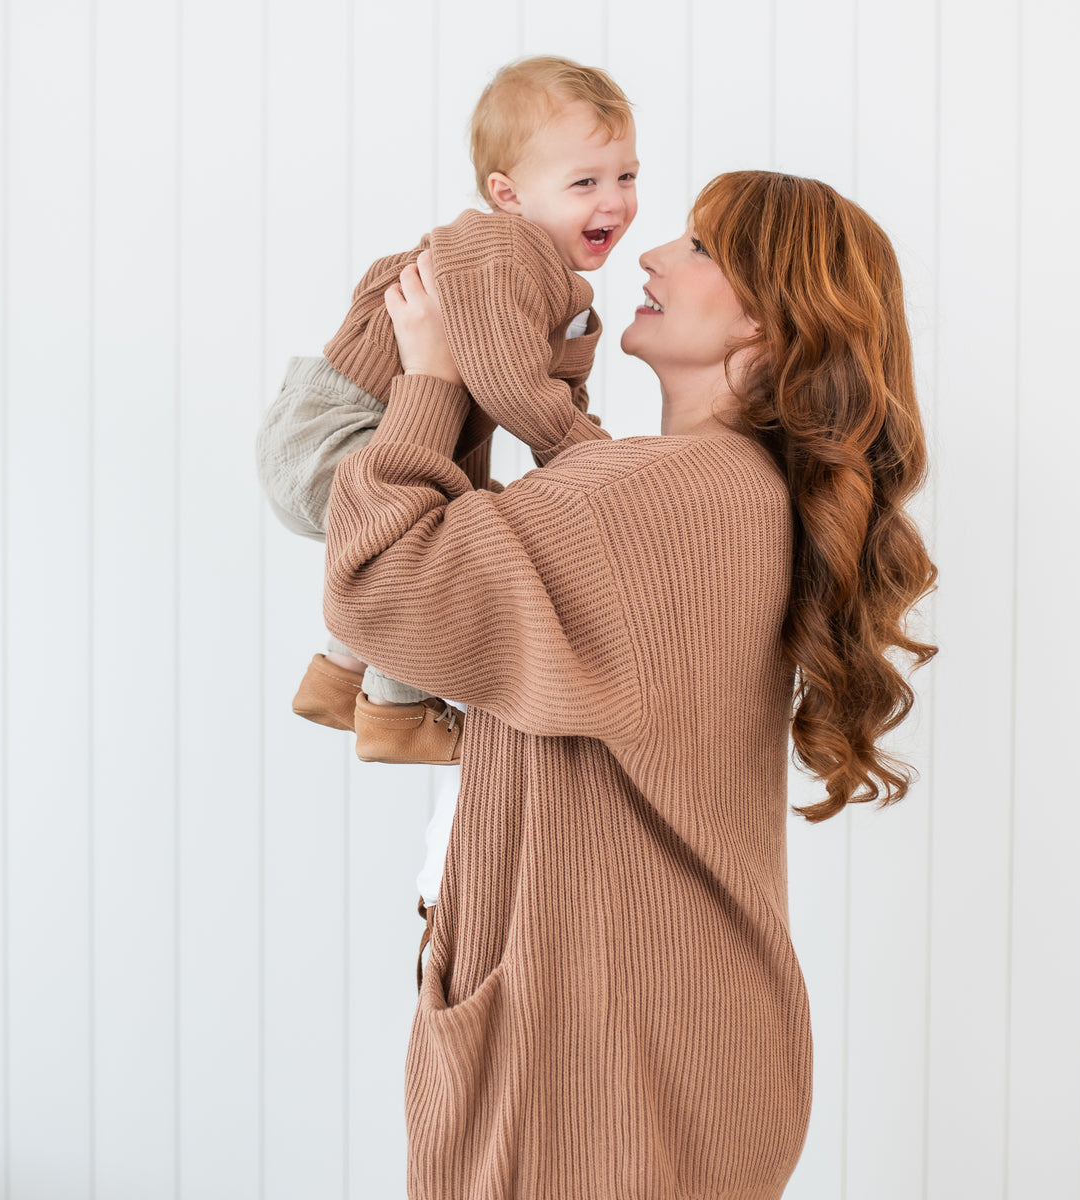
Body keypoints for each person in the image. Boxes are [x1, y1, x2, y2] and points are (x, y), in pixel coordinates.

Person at [320, 169, 938, 1197]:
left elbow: (381, 584)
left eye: (699, 249)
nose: (651, 254)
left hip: (596, 1063)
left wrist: (431, 379)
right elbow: (566, 526)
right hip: (665, 1042)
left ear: (772, 329)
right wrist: (539, 401)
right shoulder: (726, 490)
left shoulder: (670, 494)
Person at [257, 55, 638, 767]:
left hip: (345, 440)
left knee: (490, 522)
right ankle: (399, 713)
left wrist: (580, 451)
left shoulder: (556, 287)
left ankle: (340, 678)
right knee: (457, 537)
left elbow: (556, 397)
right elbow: (510, 385)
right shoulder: (505, 248)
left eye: (627, 176)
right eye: (584, 181)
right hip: (337, 436)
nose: (613, 201)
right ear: (509, 193)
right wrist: (602, 465)